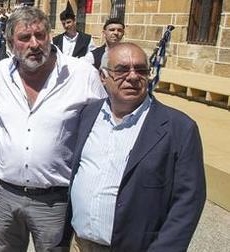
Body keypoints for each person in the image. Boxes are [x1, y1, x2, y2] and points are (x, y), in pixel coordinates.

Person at [0, 7, 107, 252]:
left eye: (40, 36)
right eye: (24, 38)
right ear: (10, 43)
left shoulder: (81, 74)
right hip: (5, 196)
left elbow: (104, 131)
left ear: (50, 36)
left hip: (55, 201)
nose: (34, 44)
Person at [63, 43, 205, 251]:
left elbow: (188, 202)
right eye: (121, 70)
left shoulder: (179, 128)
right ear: (103, 77)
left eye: (141, 70)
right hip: (80, 245)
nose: (132, 76)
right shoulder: (88, 114)